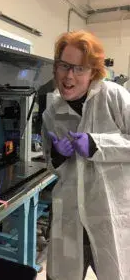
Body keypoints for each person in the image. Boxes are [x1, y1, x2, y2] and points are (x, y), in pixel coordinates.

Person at [42, 30, 130, 280]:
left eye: (79, 69)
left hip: (109, 216)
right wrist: (58, 155)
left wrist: (97, 145)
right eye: (64, 66)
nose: (69, 76)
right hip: (69, 221)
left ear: (93, 72)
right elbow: (51, 164)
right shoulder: (53, 112)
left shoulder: (113, 96)